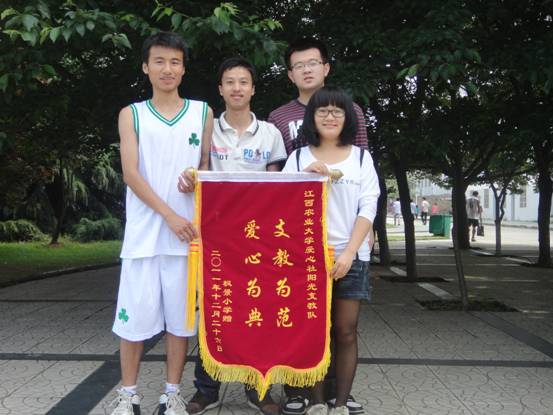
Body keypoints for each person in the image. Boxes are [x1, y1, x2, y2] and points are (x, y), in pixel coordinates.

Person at [109, 32, 213, 415]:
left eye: (174, 62)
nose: (167, 69)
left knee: (180, 322)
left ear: (183, 68)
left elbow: (206, 166)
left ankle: (172, 393)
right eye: (159, 61)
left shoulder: (203, 112)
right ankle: (129, 394)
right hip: (145, 235)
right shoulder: (131, 114)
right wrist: (168, 214)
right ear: (145, 67)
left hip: (186, 236)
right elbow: (131, 174)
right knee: (132, 319)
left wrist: (196, 179)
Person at [180, 57, 286, 415]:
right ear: (220, 89)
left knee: (257, 311)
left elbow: (278, 188)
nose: (237, 88)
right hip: (216, 238)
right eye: (230, 82)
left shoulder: (270, 133)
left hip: (258, 240)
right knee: (214, 311)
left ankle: (259, 390)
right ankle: (206, 389)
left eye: (243, 82)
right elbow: (199, 172)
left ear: (253, 89)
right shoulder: (206, 130)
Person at [268, 37, 368, 415]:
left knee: (343, 328)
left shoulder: (352, 114)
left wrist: (361, 239)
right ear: (290, 73)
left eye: (313, 62)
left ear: (326, 67)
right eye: (299, 65)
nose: (307, 69)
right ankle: (302, 393)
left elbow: (366, 191)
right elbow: (276, 187)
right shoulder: (280, 119)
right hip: (303, 247)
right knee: (303, 324)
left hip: (347, 244)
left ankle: (339, 394)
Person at [282, 87, 380, 415]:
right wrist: (302, 180)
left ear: (347, 118)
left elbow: (368, 207)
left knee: (345, 330)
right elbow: (281, 208)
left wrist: (349, 253)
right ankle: (316, 401)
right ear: (311, 117)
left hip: (350, 256)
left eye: (337, 111)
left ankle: (340, 402)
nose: (329, 116)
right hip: (308, 259)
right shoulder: (298, 159)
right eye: (322, 111)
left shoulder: (361, 158)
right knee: (314, 331)